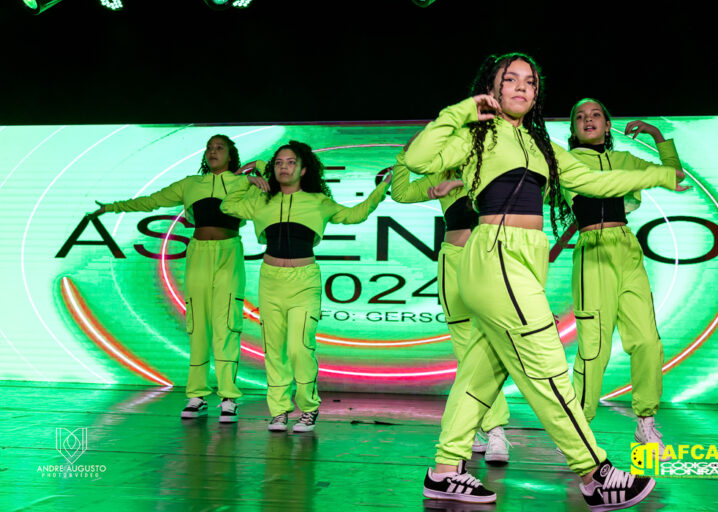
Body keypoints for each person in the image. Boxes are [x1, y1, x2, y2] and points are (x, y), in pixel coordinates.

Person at [403, 53, 687, 508]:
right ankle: (595, 473)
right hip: (495, 253)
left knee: (481, 373)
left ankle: (444, 470)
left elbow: (594, 182)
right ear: (492, 88)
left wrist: (658, 174)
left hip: (526, 258)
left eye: (530, 82)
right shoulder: (475, 136)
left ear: (536, 94)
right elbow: (417, 159)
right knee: (548, 366)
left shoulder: (542, 146)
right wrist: (461, 111)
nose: (521, 87)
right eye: (510, 79)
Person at [221, 140, 391, 433]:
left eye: (290, 162)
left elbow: (355, 214)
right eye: (278, 163)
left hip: (304, 281)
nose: (283, 167)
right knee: (274, 349)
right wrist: (248, 181)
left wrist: (382, 188)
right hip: (270, 280)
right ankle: (278, 412)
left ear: (303, 170)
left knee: (300, 348)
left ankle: (309, 408)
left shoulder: (317, 202)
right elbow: (227, 205)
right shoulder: (261, 201)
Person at [92, 134, 264, 423]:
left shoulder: (243, 183)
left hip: (229, 253)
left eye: (219, 147)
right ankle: (196, 395)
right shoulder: (190, 184)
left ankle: (229, 398)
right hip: (198, 253)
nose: (213, 151)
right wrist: (112, 207)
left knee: (227, 324)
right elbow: (151, 201)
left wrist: (256, 168)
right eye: (209, 147)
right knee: (198, 325)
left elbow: (277, 180)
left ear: (231, 154)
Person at [565, 98, 682, 458]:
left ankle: (645, 421)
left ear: (607, 125)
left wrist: (657, 135)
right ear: (573, 129)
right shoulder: (565, 162)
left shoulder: (625, 159)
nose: (588, 120)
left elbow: (674, 175)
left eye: (595, 115)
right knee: (594, 349)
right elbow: (600, 186)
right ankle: (578, 429)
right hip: (592, 251)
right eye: (580, 117)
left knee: (647, 339)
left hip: (626, 248)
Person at [389, 148, 512, 463]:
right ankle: (490, 428)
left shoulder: (491, 162)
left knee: (491, 344)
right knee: (464, 350)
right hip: (453, 259)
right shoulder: (437, 174)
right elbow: (400, 193)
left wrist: (457, 184)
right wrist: (404, 156)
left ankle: (492, 429)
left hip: (487, 259)